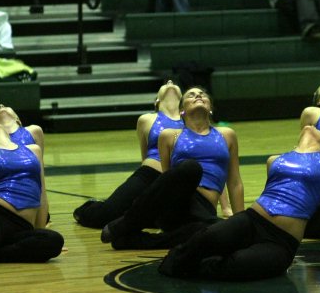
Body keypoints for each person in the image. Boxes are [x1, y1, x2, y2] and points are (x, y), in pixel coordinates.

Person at [158, 126, 320, 280]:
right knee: (207, 237)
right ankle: (174, 265)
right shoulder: (275, 160)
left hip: (281, 242)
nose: (311, 127)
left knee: (236, 265)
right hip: (252, 220)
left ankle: (197, 268)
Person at [101, 87, 244, 250]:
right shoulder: (169, 135)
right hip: (176, 205)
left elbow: (234, 183)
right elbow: (166, 180)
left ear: (210, 107)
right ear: (182, 110)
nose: (198, 96)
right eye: (191, 95)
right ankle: (124, 223)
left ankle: (134, 241)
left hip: (204, 212)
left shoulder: (227, 135)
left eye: (203, 94)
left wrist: (239, 223)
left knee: (215, 230)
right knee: (191, 168)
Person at [74, 82, 183, 229]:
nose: (170, 82)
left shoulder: (190, 120)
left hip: (176, 181)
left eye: (174, 83)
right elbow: (144, 156)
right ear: (156, 101)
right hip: (148, 175)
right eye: (165, 84)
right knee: (104, 216)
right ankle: (89, 208)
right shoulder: (146, 119)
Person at [0, 120, 62, 265]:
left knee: (54, 241)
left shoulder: (34, 149)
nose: (1, 106)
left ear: (18, 121)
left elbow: (42, 192)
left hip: (23, 226)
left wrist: (40, 231)